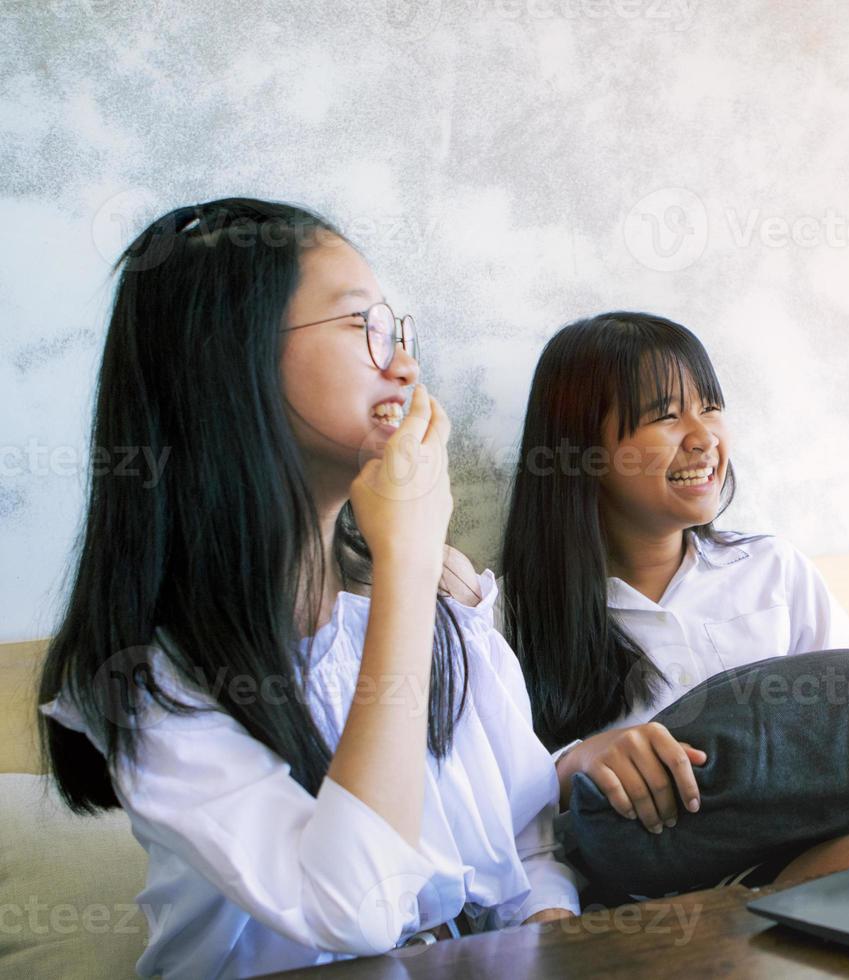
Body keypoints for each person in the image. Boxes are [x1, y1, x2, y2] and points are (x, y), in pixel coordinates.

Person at [36, 199, 576, 979]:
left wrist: (552, 924)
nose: (405, 366)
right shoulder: (147, 682)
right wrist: (409, 561)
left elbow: (531, 839)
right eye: (363, 327)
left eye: (398, 330)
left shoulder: (442, 624)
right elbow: (354, 908)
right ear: (234, 363)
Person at [500, 311, 849, 889]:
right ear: (583, 449)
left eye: (710, 406)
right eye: (666, 415)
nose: (703, 438)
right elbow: (495, 822)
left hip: (785, 874)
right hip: (629, 911)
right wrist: (575, 765)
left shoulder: (772, 571)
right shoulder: (509, 617)